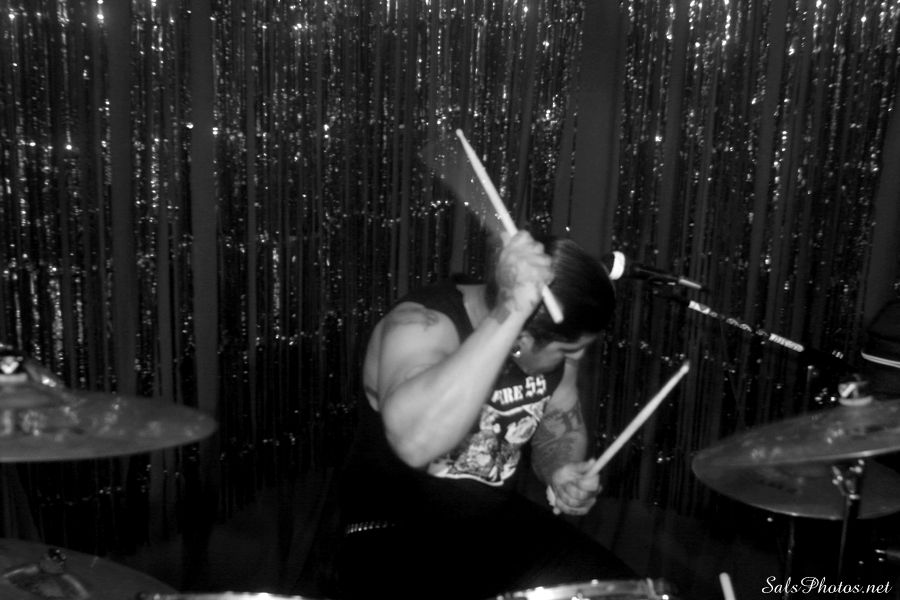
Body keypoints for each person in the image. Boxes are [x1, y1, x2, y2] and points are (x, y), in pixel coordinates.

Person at [335, 231, 634, 600]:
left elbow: (558, 425)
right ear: (521, 340)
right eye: (569, 351)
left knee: (618, 593)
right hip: (391, 529)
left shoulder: (555, 339)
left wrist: (562, 471)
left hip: (490, 525)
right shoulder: (421, 326)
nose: (576, 359)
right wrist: (511, 311)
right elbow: (415, 442)